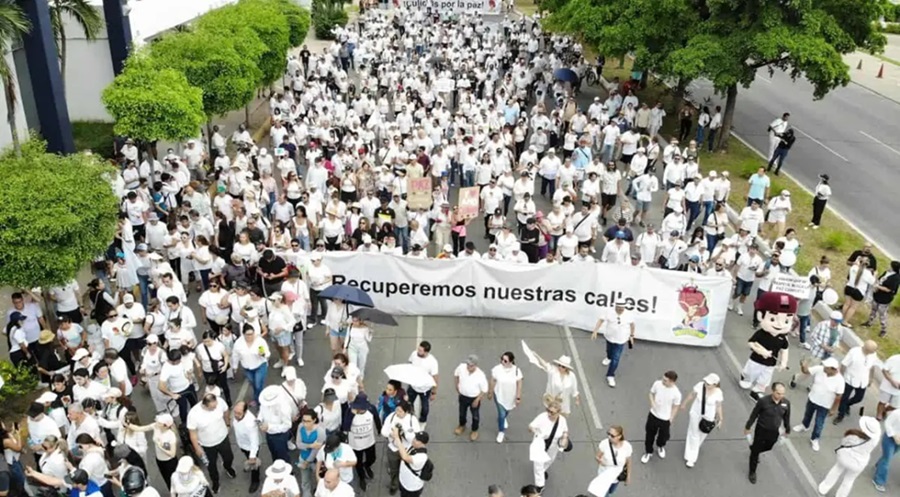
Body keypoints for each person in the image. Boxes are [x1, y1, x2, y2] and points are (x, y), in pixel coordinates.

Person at [740, 292, 794, 401]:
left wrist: (783, 363)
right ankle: (746, 377)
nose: (780, 325)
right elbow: (751, 343)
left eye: (786, 321)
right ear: (761, 316)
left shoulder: (783, 337)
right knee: (750, 373)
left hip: (771, 364)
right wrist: (761, 351)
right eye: (773, 319)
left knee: (764, 379)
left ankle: (757, 391)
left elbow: (785, 350)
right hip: (756, 360)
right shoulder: (761, 333)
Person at [817, 417, 880, 497]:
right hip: (859, 463)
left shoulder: (853, 435)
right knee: (849, 480)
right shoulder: (875, 440)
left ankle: (824, 488)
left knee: (836, 470)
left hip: (845, 458)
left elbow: (844, 442)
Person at [186, 393, 235, 494]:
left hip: (223, 438)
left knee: (229, 457)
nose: (215, 408)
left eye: (216, 405)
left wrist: (227, 423)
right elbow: (193, 433)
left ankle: (227, 466)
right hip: (207, 445)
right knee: (211, 466)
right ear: (205, 405)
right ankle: (215, 482)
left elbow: (226, 411)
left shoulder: (220, 402)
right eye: (212, 407)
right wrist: (197, 447)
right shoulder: (194, 414)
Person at [744, 382, 791, 484]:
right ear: (773, 391)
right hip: (761, 429)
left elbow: (786, 417)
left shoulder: (786, 403)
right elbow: (754, 414)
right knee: (755, 452)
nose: (781, 396)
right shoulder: (763, 401)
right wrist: (748, 427)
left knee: (769, 446)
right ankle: (752, 471)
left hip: (774, 431)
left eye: (783, 393)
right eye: (778, 393)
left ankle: (754, 450)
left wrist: (787, 430)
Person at [528, 395, 570, 492]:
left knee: (549, 460)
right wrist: (535, 431)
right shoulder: (542, 417)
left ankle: (542, 471)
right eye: (548, 411)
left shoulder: (562, 421)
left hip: (553, 445)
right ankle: (539, 486)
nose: (549, 414)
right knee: (538, 464)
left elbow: (565, 431)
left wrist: (564, 438)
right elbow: (530, 426)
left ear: (558, 413)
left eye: (552, 412)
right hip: (539, 443)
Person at [591, 299, 635, 388]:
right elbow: (601, 320)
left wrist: (632, 335)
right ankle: (608, 357)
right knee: (609, 351)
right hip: (609, 337)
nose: (620, 310)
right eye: (618, 308)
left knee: (616, 358)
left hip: (621, 340)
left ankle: (610, 375)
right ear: (615, 306)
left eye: (622, 308)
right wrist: (595, 331)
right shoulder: (609, 312)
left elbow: (632, 325)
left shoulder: (628, 315)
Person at [682, 373, 723, 468]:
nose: (706, 384)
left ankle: (694, 447)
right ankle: (691, 457)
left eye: (708, 383)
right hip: (696, 413)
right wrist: (684, 404)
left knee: (702, 434)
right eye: (706, 382)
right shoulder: (700, 385)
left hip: (708, 416)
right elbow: (691, 394)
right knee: (693, 434)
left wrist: (721, 418)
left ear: (715, 384)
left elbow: (719, 406)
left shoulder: (718, 392)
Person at [640, 371, 682, 465]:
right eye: (663, 379)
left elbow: (676, 407)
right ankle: (648, 452)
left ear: (672, 382)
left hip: (665, 418)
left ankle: (660, 446)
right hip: (653, 415)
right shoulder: (657, 384)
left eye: (665, 380)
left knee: (664, 436)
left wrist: (671, 419)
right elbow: (651, 393)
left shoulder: (676, 394)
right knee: (649, 435)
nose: (663, 381)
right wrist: (652, 403)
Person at [834, 340, 878, 424]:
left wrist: (871, 378)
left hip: (863, 381)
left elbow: (872, 367)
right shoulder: (854, 352)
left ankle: (847, 405)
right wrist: (841, 378)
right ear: (866, 349)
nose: (872, 353)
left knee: (859, 398)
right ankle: (840, 415)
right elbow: (844, 365)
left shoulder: (873, 354)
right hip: (849, 379)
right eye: (871, 351)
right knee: (844, 398)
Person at [344, 393, 381, 491]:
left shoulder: (371, 409)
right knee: (358, 462)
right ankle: (361, 477)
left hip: (369, 440)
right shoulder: (350, 411)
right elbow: (345, 427)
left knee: (372, 458)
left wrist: (379, 429)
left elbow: (377, 419)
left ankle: (367, 465)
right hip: (355, 443)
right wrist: (352, 414)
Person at [488, 351, 524, 444]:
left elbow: (519, 383)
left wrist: (518, 397)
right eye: (502, 359)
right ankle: (501, 431)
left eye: (505, 361)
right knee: (502, 414)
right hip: (499, 394)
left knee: (507, 410)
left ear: (511, 362)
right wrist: (490, 392)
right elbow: (492, 380)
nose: (502, 362)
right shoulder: (497, 369)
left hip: (511, 396)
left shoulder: (516, 370)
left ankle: (503, 419)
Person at [588, 424, 632, 497]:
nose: (609, 437)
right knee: (603, 493)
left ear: (619, 436)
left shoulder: (627, 447)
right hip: (604, 474)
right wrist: (600, 461)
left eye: (612, 436)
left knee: (611, 491)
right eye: (608, 434)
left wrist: (628, 476)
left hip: (616, 476)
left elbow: (629, 462)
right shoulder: (605, 443)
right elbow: (597, 456)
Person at [454, 354, 489, 442]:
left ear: (476, 365)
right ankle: (462, 425)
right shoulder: (461, 367)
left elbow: (484, 389)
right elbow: (456, 374)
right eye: (468, 364)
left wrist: (477, 400)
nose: (468, 367)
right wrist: (457, 385)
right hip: (463, 396)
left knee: (475, 416)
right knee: (462, 413)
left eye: (471, 365)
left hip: (474, 398)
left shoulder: (480, 375)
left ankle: (474, 430)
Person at [863, 260, 900, 337]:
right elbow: (880, 280)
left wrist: (877, 286)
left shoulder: (896, 278)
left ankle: (884, 329)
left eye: (890, 265)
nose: (888, 266)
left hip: (885, 299)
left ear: (893, 268)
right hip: (877, 295)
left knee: (882, 314)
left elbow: (889, 289)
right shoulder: (886, 272)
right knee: (873, 309)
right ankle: (870, 322)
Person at [407, 341, 439, 428]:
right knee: (408, 403)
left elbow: (435, 378)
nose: (418, 352)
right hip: (413, 386)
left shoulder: (432, 362)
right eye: (418, 349)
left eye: (420, 351)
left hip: (425, 389)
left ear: (426, 352)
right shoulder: (414, 354)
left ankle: (422, 420)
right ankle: (410, 416)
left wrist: (434, 392)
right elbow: (410, 363)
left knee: (425, 408)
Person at [232, 401, 261, 493]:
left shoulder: (250, 424)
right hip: (242, 444)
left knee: (254, 465)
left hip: (250, 447)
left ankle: (255, 481)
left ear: (245, 412)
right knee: (247, 456)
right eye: (235, 412)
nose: (236, 415)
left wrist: (252, 456)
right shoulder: (238, 415)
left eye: (239, 413)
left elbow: (254, 442)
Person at [394, 430, 431, 497]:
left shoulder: (422, 457)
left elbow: (405, 457)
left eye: (417, 440)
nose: (413, 440)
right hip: (404, 480)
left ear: (423, 443)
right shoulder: (413, 446)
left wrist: (397, 438)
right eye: (415, 438)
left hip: (411, 487)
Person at [873, 405, 900, 492]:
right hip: (890, 439)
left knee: (889, 456)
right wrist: (894, 436)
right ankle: (878, 480)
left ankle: (879, 465)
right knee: (887, 459)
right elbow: (887, 423)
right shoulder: (897, 413)